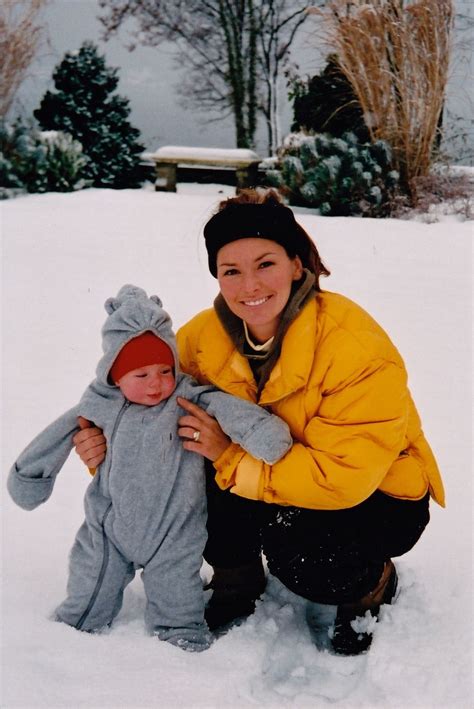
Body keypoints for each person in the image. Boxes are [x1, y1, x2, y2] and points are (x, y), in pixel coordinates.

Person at [74, 190, 445, 656]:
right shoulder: (199, 341)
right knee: (190, 454)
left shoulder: (354, 346)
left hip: (376, 495)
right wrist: (105, 449)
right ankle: (237, 577)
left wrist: (228, 456)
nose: (249, 285)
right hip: (272, 475)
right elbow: (144, 410)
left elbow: (343, 480)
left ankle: (367, 585)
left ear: (296, 264)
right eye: (231, 271)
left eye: (265, 264)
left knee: (307, 554)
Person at [7, 284, 293, 652]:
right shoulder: (100, 403)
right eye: (141, 376)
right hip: (108, 526)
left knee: (177, 598)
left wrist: (262, 433)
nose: (156, 384)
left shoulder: (187, 397)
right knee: (89, 587)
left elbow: (228, 408)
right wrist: (30, 475)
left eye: (164, 370)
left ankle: (180, 637)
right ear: (116, 375)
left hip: (174, 530)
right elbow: (59, 434)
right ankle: (72, 637)